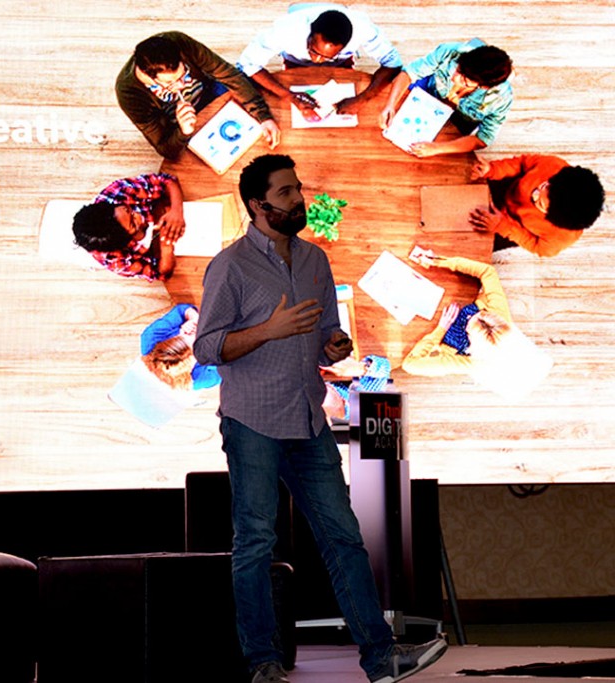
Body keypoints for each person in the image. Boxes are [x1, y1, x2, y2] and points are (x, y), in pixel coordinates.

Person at [193, 154, 447, 683]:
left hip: (308, 418)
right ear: (258, 205)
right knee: (255, 543)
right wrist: (269, 329)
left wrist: (335, 345)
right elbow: (208, 348)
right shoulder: (230, 265)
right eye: (285, 193)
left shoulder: (315, 259)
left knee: (344, 538)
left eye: (297, 189)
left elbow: (329, 334)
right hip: (253, 420)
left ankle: (381, 658)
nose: (298, 200)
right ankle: (262, 662)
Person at [402, 253, 553, 398]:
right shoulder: (499, 312)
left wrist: (441, 329)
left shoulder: (473, 363)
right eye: (481, 314)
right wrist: (438, 261)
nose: (469, 316)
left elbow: (410, 365)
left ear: (473, 344)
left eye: (469, 325)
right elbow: (488, 271)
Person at [116, 31, 280, 159]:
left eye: (184, 75)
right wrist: (183, 131)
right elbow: (165, 148)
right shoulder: (129, 94)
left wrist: (263, 116)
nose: (181, 85)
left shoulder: (179, 42)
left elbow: (228, 74)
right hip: (178, 123)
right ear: (148, 77)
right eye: (171, 83)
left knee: (252, 94)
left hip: (209, 91)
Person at [236, 4, 402, 119]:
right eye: (313, 50)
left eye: (326, 56)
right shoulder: (286, 30)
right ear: (309, 31)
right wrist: (289, 96)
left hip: (340, 63)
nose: (317, 60)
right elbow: (247, 64)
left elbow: (393, 63)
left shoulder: (363, 29)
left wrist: (363, 98)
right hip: (295, 61)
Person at [379, 39, 513, 157]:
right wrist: (390, 105)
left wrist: (437, 148)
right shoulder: (451, 52)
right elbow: (410, 72)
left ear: (484, 87)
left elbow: (483, 138)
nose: (455, 78)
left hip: (459, 120)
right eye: (459, 70)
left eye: (465, 81)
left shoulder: (500, 100)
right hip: (429, 90)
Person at [467, 154, 606, 257]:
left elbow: (536, 245)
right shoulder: (553, 165)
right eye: (544, 186)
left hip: (513, 228)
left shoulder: (562, 236)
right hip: (506, 187)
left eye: (539, 203)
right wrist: (492, 169)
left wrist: (503, 227)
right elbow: (521, 164)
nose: (534, 195)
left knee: (470, 246)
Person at [71, 172, 186, 281]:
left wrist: (177, 210)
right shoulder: (118, 262)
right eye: (133, 224)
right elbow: (160, 273)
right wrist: (166, 247)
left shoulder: (118, 192)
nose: (138, 216)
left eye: (128, 210)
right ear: (124, 242)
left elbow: (167, 180)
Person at [141, 304, 220, 390]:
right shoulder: (202, 379)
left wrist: (193, 318)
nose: (197, 332)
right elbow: (229, 366)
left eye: (184, 334)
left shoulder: (151, 337)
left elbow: (181, 310)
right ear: (192, 364)